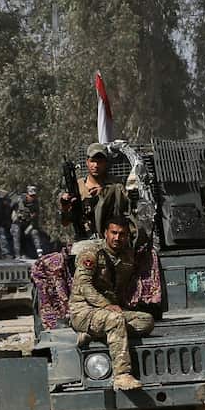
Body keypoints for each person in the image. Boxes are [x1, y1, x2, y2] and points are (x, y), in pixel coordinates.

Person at [67, 215, 154, 391]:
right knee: (115, 320)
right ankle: (122, 375)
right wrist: (106, 305)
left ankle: (94, 334)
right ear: (105, 233)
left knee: (146, 321)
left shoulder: (127, 255)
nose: (117, 238)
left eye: (122, 234)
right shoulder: (91, 254)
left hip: (108, 312)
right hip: (84, 312)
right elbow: (84, 285)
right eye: (113, 233)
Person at [59, 142, 130, 239]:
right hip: (85, 239)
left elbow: (127, 211)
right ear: (87, 162)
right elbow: (65, 223)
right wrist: (65, 208)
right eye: (93, 161)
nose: (96, 165)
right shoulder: (78, 187)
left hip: (112, 240)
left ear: (106, 163)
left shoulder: (116, 186)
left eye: (100, 162)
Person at [10, 185, 45, 258]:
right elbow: (9, 207)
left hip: (28, 224)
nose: (33, 198)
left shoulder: (36, 204)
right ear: (27, 195)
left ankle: (40, 253)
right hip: (17, 223)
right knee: (16, 232)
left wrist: (29, 228)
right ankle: (17, 255)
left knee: (34, 233)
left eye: (34, 196)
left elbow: (35, 219)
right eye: (31, 196)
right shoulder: (18, 199)